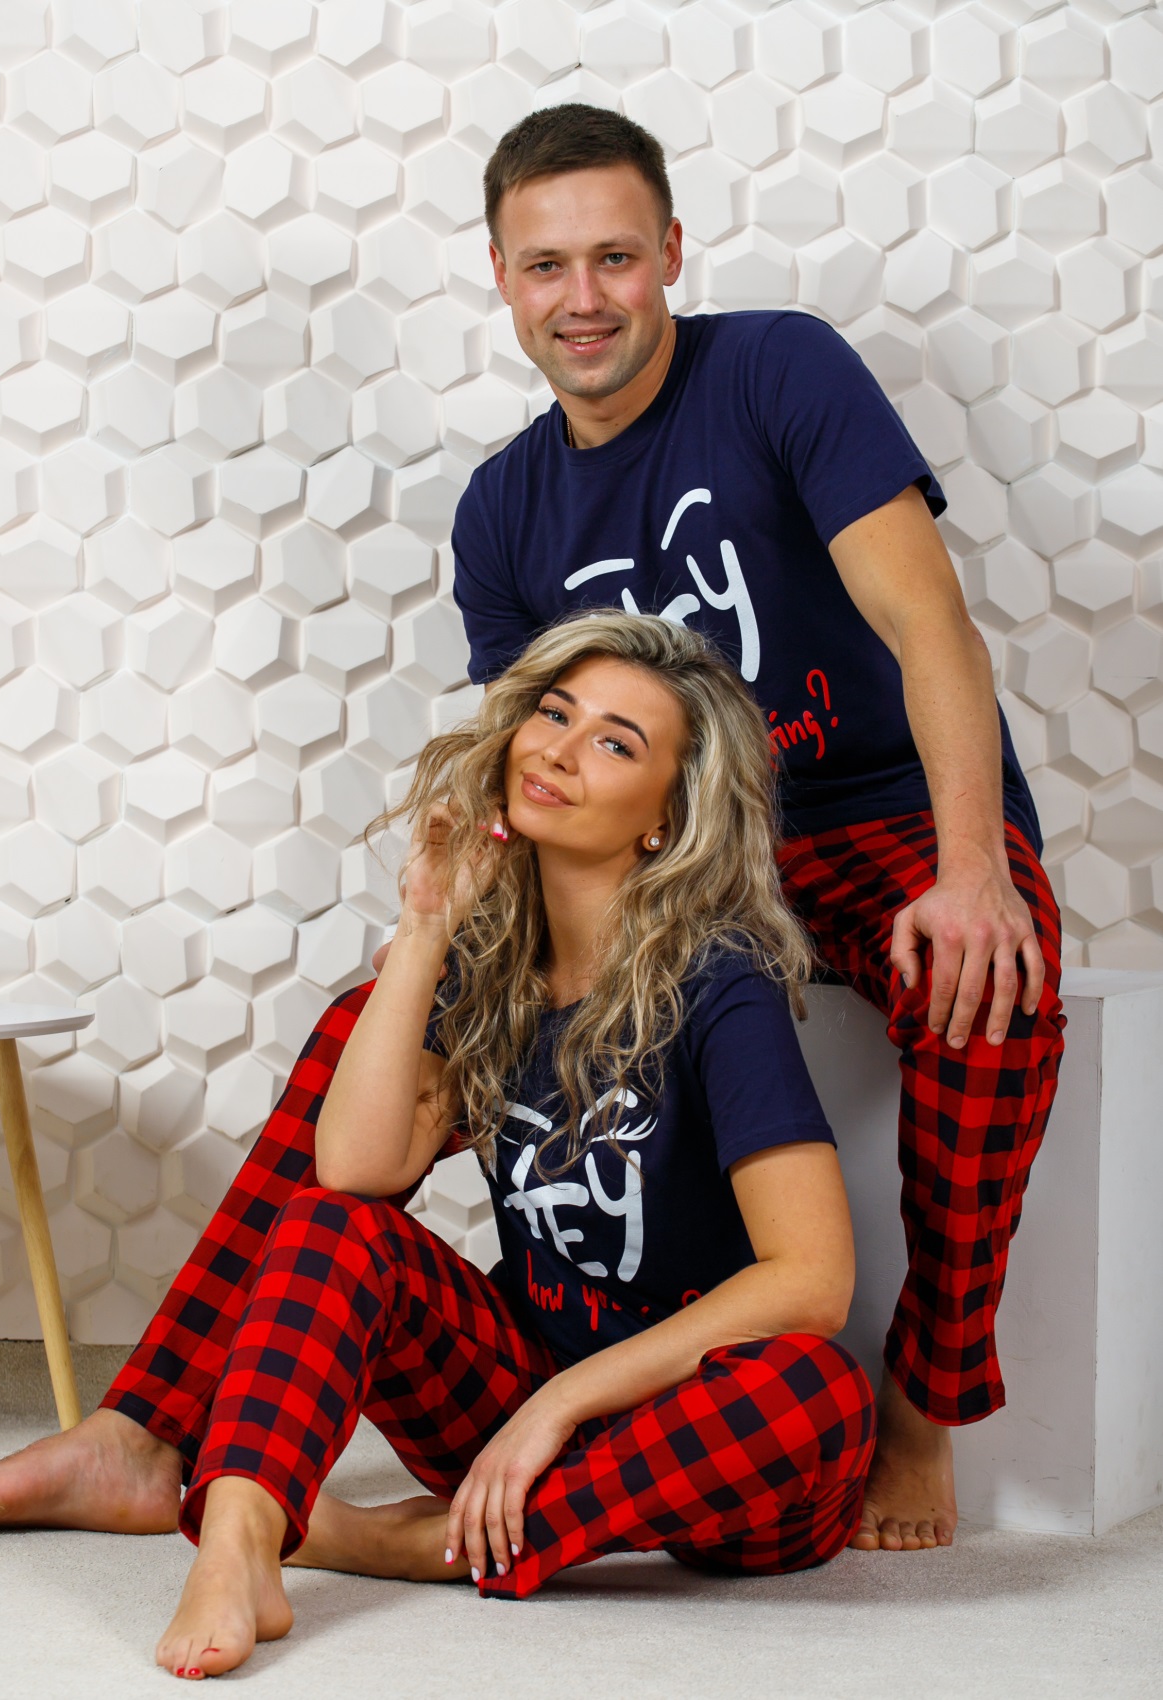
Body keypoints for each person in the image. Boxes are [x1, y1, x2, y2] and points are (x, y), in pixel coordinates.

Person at [0, 613, 875, 1679]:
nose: (558, 748)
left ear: (667, 817)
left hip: (700, 1442)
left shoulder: (720, 984)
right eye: (554, 713)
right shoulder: (490, 969)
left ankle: (408, 1544)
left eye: (614, 741)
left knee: (818, 1393)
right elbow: (355, 1174)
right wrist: (424, 922)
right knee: (329, 1223)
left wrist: (562, 1404)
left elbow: (811, 1278)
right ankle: (238, 1543)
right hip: (512, 1405)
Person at [449, 104, 1065, 1555]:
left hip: (868, 809)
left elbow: (929, 621)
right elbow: (543, 774)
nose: (583, 297)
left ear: (671, 250)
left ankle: (922, 1398)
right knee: (392, 1011)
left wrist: (975, 869)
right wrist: (453, 943)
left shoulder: (778, 368)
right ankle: (166, 1415)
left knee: (990, 989)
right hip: (672, 858)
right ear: (501, 278)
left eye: (614, 255)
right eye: (546, 265)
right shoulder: (499, 510)